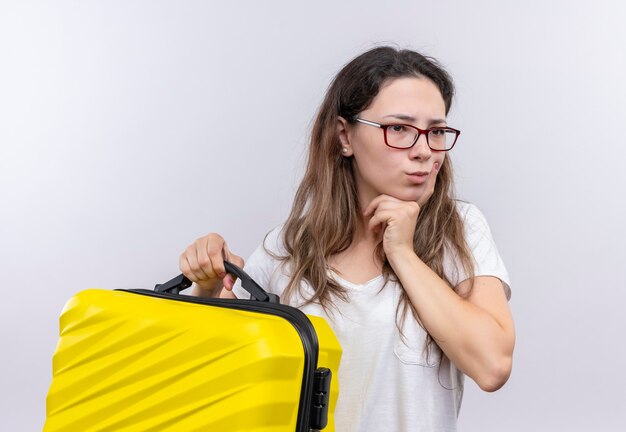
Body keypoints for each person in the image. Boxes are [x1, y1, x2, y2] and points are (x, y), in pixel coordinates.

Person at [179, 46, 515, 432]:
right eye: (399, 128)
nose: (424, 151)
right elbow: (222, 382)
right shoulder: (288, 247)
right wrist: (206, 290)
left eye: (436, 131)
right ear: (345, 136)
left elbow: (492, 365)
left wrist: (403, 254)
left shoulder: (459, 228)